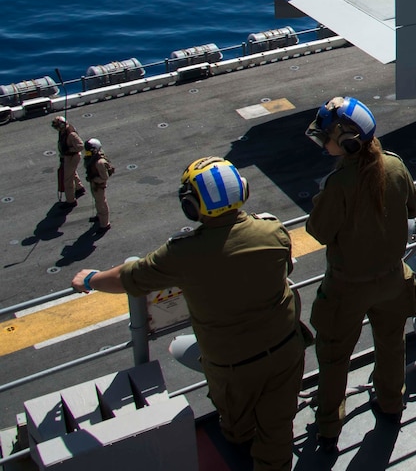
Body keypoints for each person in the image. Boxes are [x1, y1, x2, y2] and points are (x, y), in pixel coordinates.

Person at [70, 157, 304, 471]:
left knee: (236, 427)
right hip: (285, 349)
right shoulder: (273, 230)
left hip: (233, 366)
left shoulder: (182, 254)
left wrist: (89, 279)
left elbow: (128, 278)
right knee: (278, 432)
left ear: (193, 206)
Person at [304, 96, 416, 454]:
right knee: (391, 346)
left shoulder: (339, 184)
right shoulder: (395, 167)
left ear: (347, 142)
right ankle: (391, 404)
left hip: (347, 289)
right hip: (391, 280)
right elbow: (414, 208)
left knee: (334, 358)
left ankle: (328, 426)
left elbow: (319, 232)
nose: (323, 141)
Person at [51, 116, 85, 206]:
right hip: (67, 157)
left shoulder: (71, 134)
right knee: (72, 173)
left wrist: (69, 150)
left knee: (68, 179)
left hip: (72, 157)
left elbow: (81, 146)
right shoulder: (62, 132)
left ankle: (71, 201)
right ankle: (79, 188)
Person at [82, 138, 113, 232]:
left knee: (101, 203)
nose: (87, 153)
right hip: (94, 183)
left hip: (99, 185)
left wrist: (95, 179)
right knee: (97, 201)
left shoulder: (100, 163)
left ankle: (105, 224)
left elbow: (105, 177)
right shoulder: (91, 158)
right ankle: (99, 216)